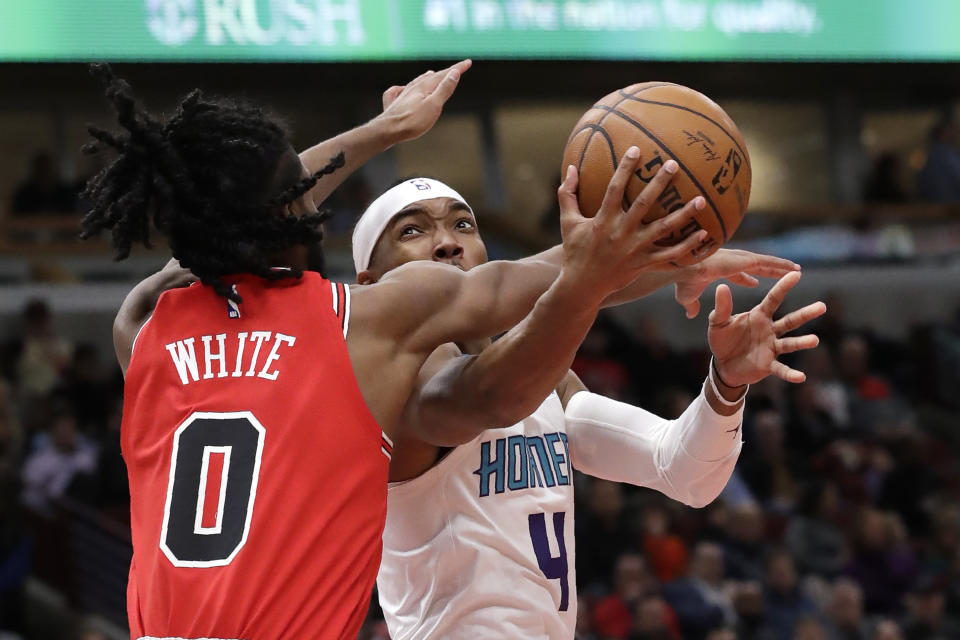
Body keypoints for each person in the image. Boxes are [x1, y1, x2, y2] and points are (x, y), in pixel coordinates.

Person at [81, 61, 711, 640]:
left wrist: (381, 132)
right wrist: (662, 246)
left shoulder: (143, 324)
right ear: (294, 210)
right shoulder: (360, 322)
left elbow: (219, 219)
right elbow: (553, 283)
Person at [349, 167, 825, 635]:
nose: (448, 243)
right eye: (412, 230)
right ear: (370, 288)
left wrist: (726, 385)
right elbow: (493, 396)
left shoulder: (547, 385)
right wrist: (612, 270)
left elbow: (683, 472)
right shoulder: (399, 390)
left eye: (463, 224)